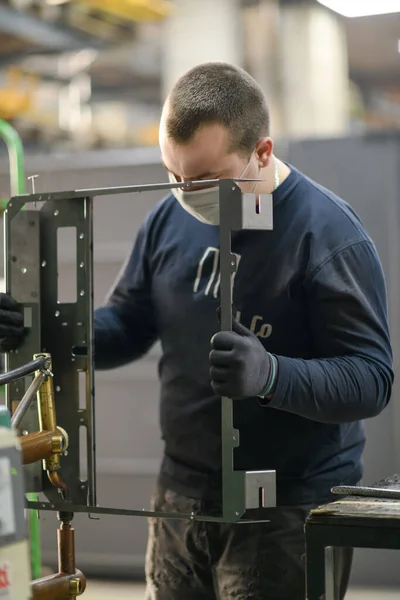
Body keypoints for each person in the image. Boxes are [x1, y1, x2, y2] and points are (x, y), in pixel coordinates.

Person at [0, 63, 393, 600]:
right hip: (179, 500)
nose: (187, 193)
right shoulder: (169, 219)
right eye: (173, 174)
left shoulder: (326, 236)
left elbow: (372, 380)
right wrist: (43, 331)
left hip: (282, 510)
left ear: (261, 150)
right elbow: (128, 327)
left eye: (206, 179)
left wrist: (272, 375)